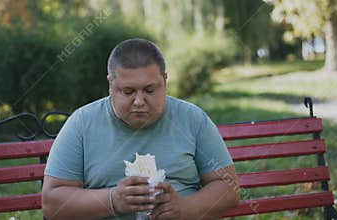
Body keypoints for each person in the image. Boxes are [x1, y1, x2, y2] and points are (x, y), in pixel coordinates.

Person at [42, 38, 240, 220]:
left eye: (149, 90)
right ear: (111, 85)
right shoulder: (82, 123)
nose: (139, 101)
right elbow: (52, 203)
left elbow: (228, 189)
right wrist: (112, 200)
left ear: (165, 82)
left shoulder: (192, 119)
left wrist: (183, 208)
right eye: (128, 91)